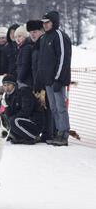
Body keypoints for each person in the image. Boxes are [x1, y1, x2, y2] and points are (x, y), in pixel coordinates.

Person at [38, 11, 72, 146]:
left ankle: (64, 133)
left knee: (60, 107)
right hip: (47, 81)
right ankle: (58, 132)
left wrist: (58, 79)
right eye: (43, 23)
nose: (45, 25)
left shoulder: (60, 36)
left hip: (57, 80)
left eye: (47, 22)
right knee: (53, 108)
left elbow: (63, 59)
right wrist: (41, 79)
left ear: (54, 22)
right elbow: (42, 61)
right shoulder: (44, 38)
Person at [27, 19, 54, 142]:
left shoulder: (43, 44)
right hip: (37, 82)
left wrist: (41, 82)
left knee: (48, 107)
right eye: (30, 32)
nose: (33, 34)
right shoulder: (35, 46)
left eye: (35, 31)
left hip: (45, 82)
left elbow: (43, 66)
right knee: (42, 108)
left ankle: (50, 132)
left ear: (41, 31)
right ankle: (46, 132)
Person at [0, 75, 44, 145]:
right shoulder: (7, 96)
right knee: (5, 119)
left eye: (8, 85)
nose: (6, 87)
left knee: (13, 121)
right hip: (22, 120)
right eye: (4, 85)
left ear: (14, 84)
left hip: (34, 121)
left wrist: (12, 118)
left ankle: (33, 137)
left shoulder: (24, 91)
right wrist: (6, 107)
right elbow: (9, 114)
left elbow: (26, 111)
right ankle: (20, 137)